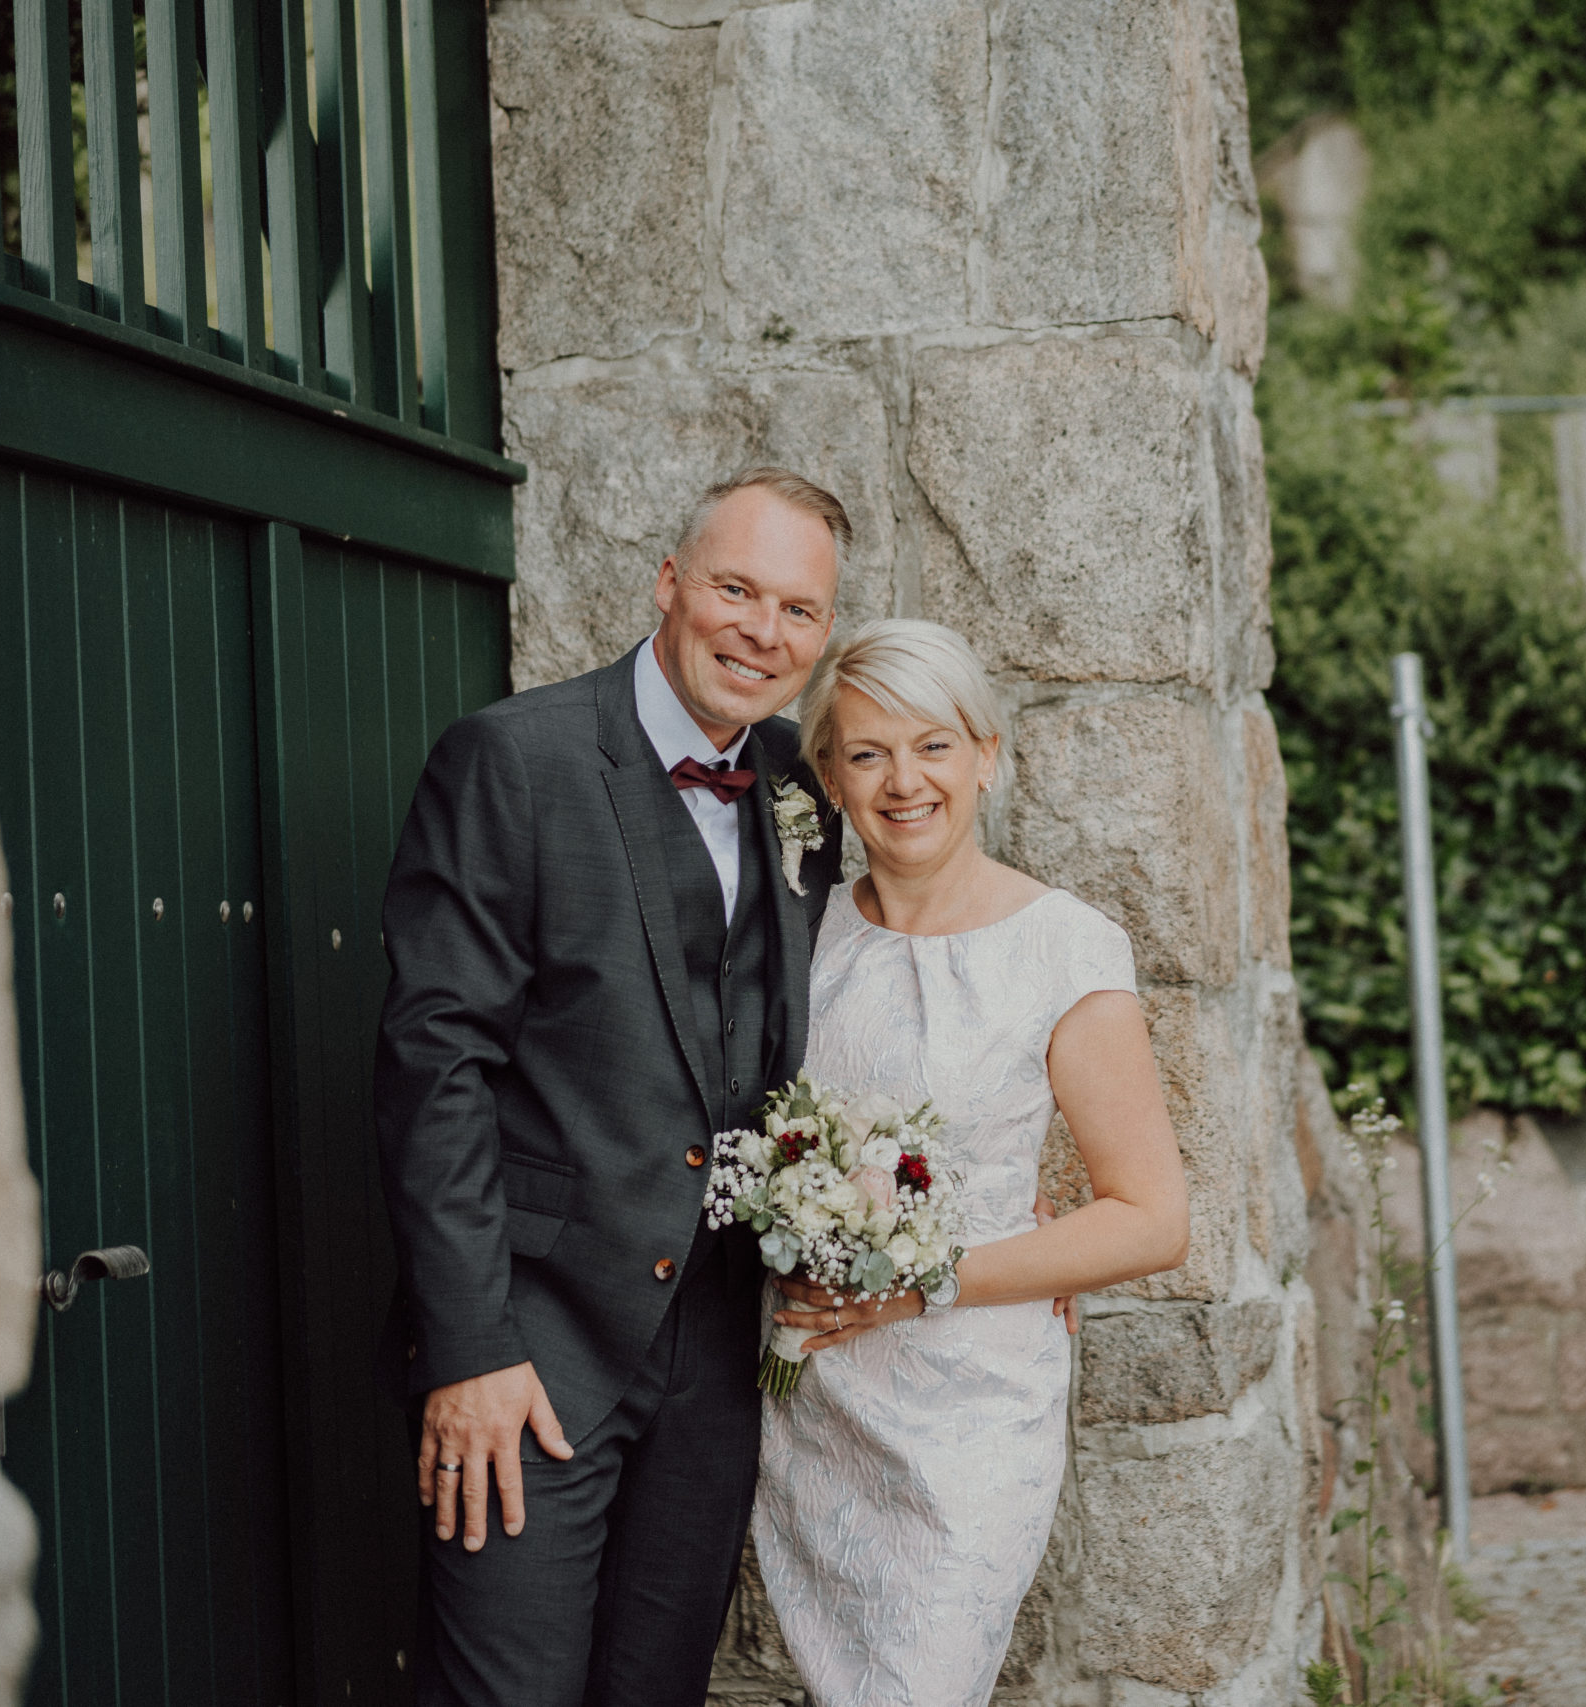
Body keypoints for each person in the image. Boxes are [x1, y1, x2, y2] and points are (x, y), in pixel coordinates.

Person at [372, 467, 851, 1706]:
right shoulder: (513, 760)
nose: (762, 630)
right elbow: (437, 1067)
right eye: (736, 588)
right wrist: (469, 1350)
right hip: (532, 1350)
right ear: (668, 583)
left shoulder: (801, 786)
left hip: (715, 1350)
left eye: (798, 610)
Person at [752, 619, 1191, 1707]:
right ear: (831, 780)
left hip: (973, 1407)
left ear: (986, 754)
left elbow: (1149, 1217)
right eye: (867, 754)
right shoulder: (796, 937)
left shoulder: (1065, 947)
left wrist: (927, 1279)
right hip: (809, 1393)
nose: (905, 781)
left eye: (934, 746)